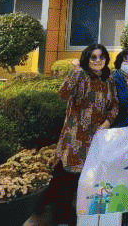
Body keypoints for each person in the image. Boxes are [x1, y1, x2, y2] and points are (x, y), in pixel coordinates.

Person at [46, 44, 118, 226]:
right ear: (86, 59)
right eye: (93, 57)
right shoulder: (80, 75)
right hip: (75, 139)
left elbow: (114, 106)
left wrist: (107, 122)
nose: (98, 60)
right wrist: (74, 72)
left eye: (101, 57)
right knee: (68, 181)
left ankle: (83, 220)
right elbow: (63, 94)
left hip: (97, 139)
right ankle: (62, 220)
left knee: (89, 182)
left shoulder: (108, 79)